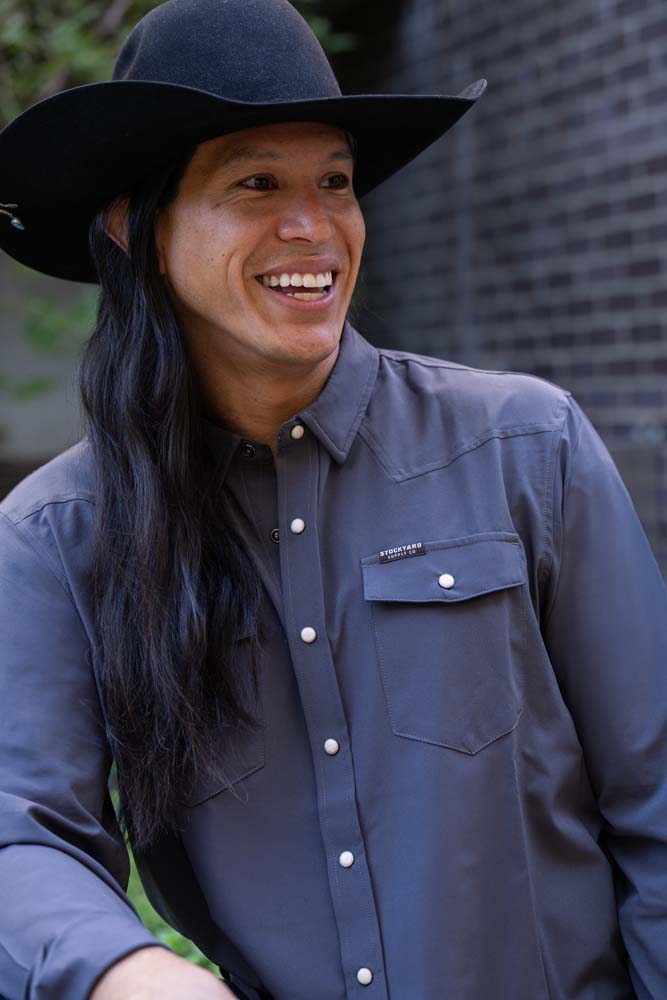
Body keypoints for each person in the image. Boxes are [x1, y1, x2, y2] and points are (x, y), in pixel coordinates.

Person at [0, 0, 666, 998]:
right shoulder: (60, 537)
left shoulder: (527, 449)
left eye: (335, 181)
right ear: (133, 226)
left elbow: (656, 803)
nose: (312, 225)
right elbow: (20, 829)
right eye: (256, 181)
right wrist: (128, 969)